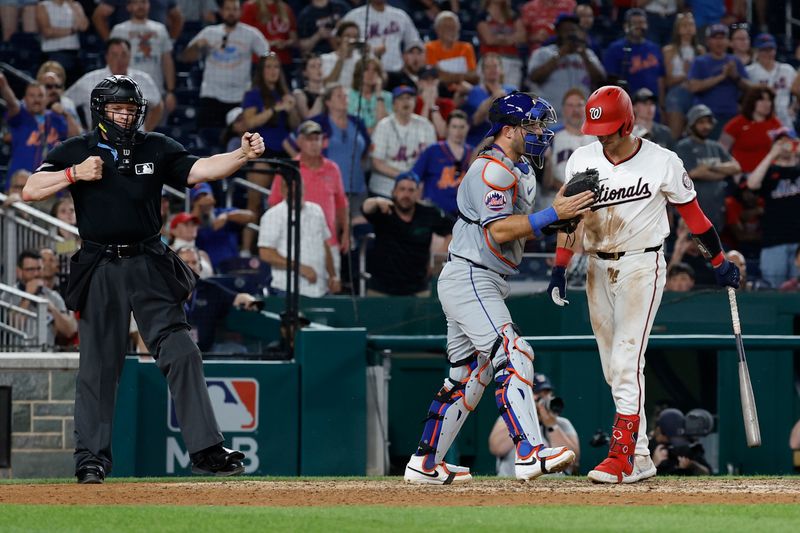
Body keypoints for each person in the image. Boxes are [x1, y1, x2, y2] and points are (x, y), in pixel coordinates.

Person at [21, 75, 266, 483]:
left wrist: (240, 155)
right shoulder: (77, 150)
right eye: (117, 109)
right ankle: (91, 460)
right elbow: (30, 189)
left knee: (182, 350)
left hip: (150, 262)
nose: (125, 116)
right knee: (98, 367)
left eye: (132, 109)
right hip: (100, 264)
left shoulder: (156, 145)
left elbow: (199, 169)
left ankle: (206, 449)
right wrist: (73, 175)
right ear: (100, 111)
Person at [546, 86, 740, 484]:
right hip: (597, 266)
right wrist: (560, 267)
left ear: (629, 123)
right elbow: (570, 220)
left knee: (626, 359)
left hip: (643, 262)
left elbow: (695, 217)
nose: (602, 136)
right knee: (612, 369)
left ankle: (621, 456)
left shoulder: (662, 161)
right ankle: (641, 456)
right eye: (597, 128)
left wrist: (718, 260)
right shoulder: (582, 158)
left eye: (610, 129)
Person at [403, 92, 594, 484]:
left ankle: (425, 462)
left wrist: (560, 218)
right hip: (471, 275)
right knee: (514, 350)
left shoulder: (520, 168)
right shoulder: (490, 170)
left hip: (481, 277)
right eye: (534, 125)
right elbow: (499, 229)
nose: (542, 131)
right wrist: (553, 213)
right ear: (509, 130)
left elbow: (520, 228)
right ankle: (529, 451)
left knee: (469, 374)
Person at [268, 120, 349, 271]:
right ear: (299, 142)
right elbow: (274, 203)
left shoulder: (332, 168)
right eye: (308, 139)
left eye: (317, 139)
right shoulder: (288, 169)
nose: (313, 144)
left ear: (323, 142)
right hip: (296, 243)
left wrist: (346, 231)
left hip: (329, 242)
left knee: (331, 286)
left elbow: (341, 203)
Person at [179, 0, 270, 129]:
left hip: (240, 96)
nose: (231, 13)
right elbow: (186, 57)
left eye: (235, 9)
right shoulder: (209, 32)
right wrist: (197, 46)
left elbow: (268, 58)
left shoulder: (251, 34)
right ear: (221, 11)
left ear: (240, 12)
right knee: (207, 139)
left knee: (239, 141)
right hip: (211, 96)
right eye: (228, 9)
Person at [361, 171, 454, 296]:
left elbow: (453, 230)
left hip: (417, 288)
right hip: (381, 288)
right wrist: (377, 201)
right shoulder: (385, 210)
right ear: (394, 192)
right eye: (402, 189)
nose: (406, 194)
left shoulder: (428, 213)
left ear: (418, 193)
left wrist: (437, 259)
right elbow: (365, 208)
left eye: (411, 190)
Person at [258, 178, 340, 297]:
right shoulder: (273, 216)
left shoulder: (316, 211)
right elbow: (265, 253)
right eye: (288, 186)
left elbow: (324, 245)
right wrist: (299, 267)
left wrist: (333, 275)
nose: (294, 189)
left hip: (321, 289)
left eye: (297, 186)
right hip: (287, 290)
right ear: (281, 190)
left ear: (304, 188)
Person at [489, 373, 580, 477]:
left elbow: (573, 459)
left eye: (547, 394)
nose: (544, 399)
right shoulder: (509, 418)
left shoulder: (562, 423)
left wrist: (552, 426)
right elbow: (496, 448)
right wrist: (524, 416)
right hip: (513, 484)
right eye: (538, 394)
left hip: (552, 488)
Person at [64, 37, 164, 131]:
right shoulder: (89, 80)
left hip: (134, 144)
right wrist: (79, 131)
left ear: (129, 56)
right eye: (114, 55)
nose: (119, 59)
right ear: (107, 57)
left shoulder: (143, 79)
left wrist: (145, 131)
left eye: (123, 55)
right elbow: (65, 102)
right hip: (100, 143)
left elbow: (158, 106)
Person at [177, 246, 260, 353]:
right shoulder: (164, 291)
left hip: (207, 352)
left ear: (200, 267)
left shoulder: (211, 289)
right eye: (186, 262)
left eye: (194, 262)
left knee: (239, 350)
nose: (190, 266)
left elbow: (237, 298)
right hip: (174, 353)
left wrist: (252, 301)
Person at [745, 128, 800, 288]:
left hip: (799, 241)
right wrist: (771, 155)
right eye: (779, 142)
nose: (784, 146)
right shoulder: (769, 172)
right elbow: (752, 183)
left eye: (787, 141)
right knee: (772, 288)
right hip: (774, 240)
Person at [673, 104, 741, 231]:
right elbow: (695, 173)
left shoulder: (715, 146)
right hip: (695, 210)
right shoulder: (683, 146)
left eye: (709, 122)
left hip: (717, 209)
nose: (706, 126)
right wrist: (722, 173)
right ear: (692, 124)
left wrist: (710, 166)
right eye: (701, 123)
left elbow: (736, 167)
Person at [310, 84, 371, 222]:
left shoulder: (357, 122)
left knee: (362, 230)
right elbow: (290, 143)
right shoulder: (319, 122)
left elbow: (366, 149)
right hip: (329, 188)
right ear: (328, 102)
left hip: (357, 186)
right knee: (334, 230)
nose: (344, 99)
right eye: (339, 96)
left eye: (345, 96)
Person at [527, 14, 605, 118]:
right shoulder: (543, 53)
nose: (570, 33)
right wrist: (560, 55)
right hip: (550, 116)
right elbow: (535, 77)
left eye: (573, 30)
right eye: (566, 30)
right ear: (557, 32)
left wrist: (584, 55)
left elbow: (600, 80)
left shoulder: (587, 54)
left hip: (581, 117)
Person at [109, 0, 176, 117]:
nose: (141, 6)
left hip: (156, 92)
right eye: (136, 3)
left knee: (155, 133)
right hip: (127, 94)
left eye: (144, 2)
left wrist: (170, 91)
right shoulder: (119, 30)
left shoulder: (160, 29)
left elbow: (167, 61)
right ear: (129, 7)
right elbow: (112, 61)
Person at [369, 85, 437, 198]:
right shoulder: (384, 126)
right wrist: (405, 177)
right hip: (384, 189)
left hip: (415, 190)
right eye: (401, 98)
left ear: (415, 102)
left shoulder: (426, 126)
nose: (406, 102)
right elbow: (377, 163)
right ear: (394, 104)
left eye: (409, 98)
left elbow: (431, 160)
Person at [1, 77, 68, 190]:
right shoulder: (20, 117)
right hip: (20, 186)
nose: (36, 100)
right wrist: (3, 84)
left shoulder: (57, 118)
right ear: (25, 99)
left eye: (40, 95)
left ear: (47, 99)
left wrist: (66, 115)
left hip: (50, 188)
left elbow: (76, 135)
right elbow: (12, 103)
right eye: (32, 96)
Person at [687, 23, 750, 140]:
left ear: (728, 41)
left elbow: (750, 89)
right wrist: (721, 77)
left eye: (722, 38)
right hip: (706, 118)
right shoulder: (700, 61)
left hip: (731, 116)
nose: (719, 42)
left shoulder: (734, 61)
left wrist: (735, 76)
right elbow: (693, 87)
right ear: (708, 41)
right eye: (715, 38)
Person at [6, 249, 78, 348]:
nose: (36, 274)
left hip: (46, 356)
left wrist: (53, 309)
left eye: (39, 268)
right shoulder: (9, 294)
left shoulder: (53, 296)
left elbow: (71, 331)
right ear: (19, 271)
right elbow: (13, 326)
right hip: (17, 355)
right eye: (30, 269)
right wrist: (28, 296)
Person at [538, 88, 593, 212]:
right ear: (563, 109)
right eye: (570, 105)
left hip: (588, 204)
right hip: (555, 202)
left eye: (579, 105)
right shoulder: (550, 136)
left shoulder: (597, 139)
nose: (575, 110)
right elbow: (545, 182)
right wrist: (570, 190)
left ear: (586, 109)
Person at [412, 110, 472, 217]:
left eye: (462, 127)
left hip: (462, 215)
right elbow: (414, 176)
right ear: (447, 128)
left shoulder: (472, 153)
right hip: (433, 213)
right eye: (454, 127)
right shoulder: (433, 150)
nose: (458, 131)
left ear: (468, 127)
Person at [602, 9, 665, 104]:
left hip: (652, 104)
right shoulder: (615, 49)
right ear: (626, 26)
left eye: (642, 23)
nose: (639, 26)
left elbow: (660, 79)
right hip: (627, 104)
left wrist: (661, 104)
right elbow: (610, 80)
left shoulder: (654, 48)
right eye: (634, 23)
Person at [342, 0, 421, 74]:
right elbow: (340, 40)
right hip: (365, 72)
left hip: (395, 71)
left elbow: (414, 41)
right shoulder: (354, 15)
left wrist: (412, 55)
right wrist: (371, 50)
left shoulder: (400, 15)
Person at [191, 182, 257, 270]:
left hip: (232, 267)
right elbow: (190, 229)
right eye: (198, 198)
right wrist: (198, 208)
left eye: (206, 195)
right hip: (207, 270)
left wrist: (227, 216)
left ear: (212, 197)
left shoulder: (222, 212)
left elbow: (251, 216)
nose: (204, 201)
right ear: (193, 203)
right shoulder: (190, 220)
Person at [661, 12, 705, 140]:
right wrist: (686, 74)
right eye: (684, 25)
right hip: (676, 94)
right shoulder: (669, 50)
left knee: (696, 137)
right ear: (678, 29)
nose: (688, 28)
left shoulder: (700, 51)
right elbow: (668, 81)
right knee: (675, 136)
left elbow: (702, 77)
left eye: (691, 25)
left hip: (697, 94)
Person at [719, 87, 782, 174]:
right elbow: (721, 151)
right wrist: (732, 170)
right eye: (762, 100)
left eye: (769, 100)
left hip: (769, 174)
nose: (767, 104)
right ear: (752, 102)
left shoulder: (775, 123)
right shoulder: (736, 124)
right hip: (742, 174)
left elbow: (784, 148)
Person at [745, 33, 799, 129]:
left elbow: (797, 89)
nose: (767, 53)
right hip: (760, 120)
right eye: (764, 50)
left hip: (785, 121)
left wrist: (795, 106)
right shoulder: (749, 71)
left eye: (770, 50)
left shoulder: (787, 69)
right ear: (756, 51)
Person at [462, 53, 516, 148]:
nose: (492, 70)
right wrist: (493, 98)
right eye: (488, 67)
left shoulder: (511, 90)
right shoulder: (475, 92)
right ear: (482, 71)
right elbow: (475, 121)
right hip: (480, 138)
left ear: (501, 69)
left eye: (495, 66)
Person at [35, 0, 90, 84]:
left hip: (73, 54)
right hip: (52, 54)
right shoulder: (43, 6)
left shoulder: (75, 5)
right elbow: (47, 32)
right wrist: (72, 30)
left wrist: (73, 7)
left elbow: (83, 26)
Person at [425, 11, 480, 94]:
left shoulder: (466, 47)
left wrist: (447, 76)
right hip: (439, 91)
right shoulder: (430, 47)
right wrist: (463, 76)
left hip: (464, 91)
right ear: (438, 30)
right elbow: (435, 76)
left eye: (454, 26)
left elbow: (473, 76)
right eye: (447, 27)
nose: (452, 30)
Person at [475, 0, 526, 91]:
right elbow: (489, 40)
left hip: (512, 61)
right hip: (489, 62)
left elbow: (522, 37)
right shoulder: (482, 15)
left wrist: (499, 38)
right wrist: (511, 39)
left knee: (511, 97)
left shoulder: (513, 15)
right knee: (487, 95)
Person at [240, 0, 298, 77]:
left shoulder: (286, 8)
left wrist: (286, 43)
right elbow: (244, 37)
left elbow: (294, 39)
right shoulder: (250, 7)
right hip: (259, 62)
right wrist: (271, 43)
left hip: (283, 62)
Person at [649, 408, 711, 476]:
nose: (670, 442)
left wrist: (692, 465)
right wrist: (654, 465)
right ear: (659, 430)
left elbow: (707, 473)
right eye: (669, 437)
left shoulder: (683, 448)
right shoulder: (646, 448)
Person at [92, 0, 184, 41]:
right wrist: (110, 42)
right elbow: (98, 16)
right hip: (127, 43)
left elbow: (178, 18)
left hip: (157, 42)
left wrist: (171, 41)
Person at [348, 56, 392, 133]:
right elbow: (349, 124)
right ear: (359, 73)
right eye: (366, 69)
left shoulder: (387, 97)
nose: (370, 73)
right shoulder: (349, 96)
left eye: (375, 70)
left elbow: (385, 124)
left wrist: (379, 94)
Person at [37, 68, 82, 137]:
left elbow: (77, 137)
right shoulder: (31, 107)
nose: (54, 90)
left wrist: (65, 115)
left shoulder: (67, 109)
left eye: (57, 86)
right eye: (49, 86)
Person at [169, 212, 213, 278]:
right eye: (186, 224)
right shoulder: (167, 252)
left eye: (194, 224)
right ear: (173, 230)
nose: (192, 227)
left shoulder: (203, 254)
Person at [293, 54, 325, 119]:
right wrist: (321, 97)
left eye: (320, 65)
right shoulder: (300, 94)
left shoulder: (329, 91)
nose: (318, 69)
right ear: (305, 72)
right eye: (313, 66)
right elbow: (308, 119)